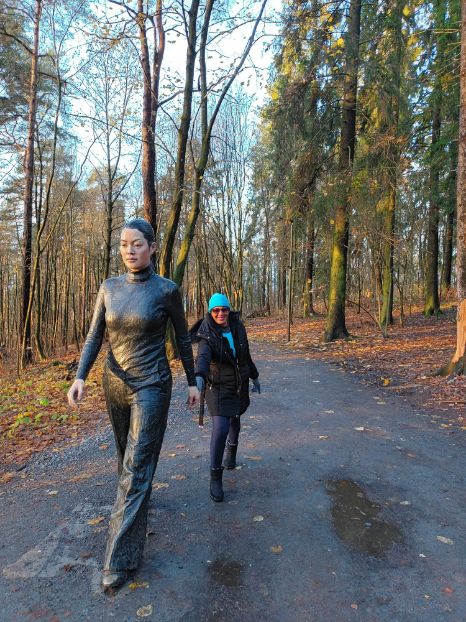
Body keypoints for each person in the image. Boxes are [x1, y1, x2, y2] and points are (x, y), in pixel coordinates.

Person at [67, 218, 200, 590]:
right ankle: (138, 512)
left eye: (137, 244)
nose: (130, 250)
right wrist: (80, 377)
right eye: (124, 244)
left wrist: (193, 381)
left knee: (136, 465)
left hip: (153, 385)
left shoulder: (167, 290)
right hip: (115, 384)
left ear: (152, 247)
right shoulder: (109, 288)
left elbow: (183, 340)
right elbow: (95, 336)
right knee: (127, 458)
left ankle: (117, 560)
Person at [193, 293, 260, 502]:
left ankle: (231, 452)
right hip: (217, 386)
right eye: (216, 310)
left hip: (238, 383)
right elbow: (203, 358)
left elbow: (245, 355)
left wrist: (255, 376)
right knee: (221, 426)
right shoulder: (206, 333)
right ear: (210, 312)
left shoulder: (238, 327)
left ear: (229, 310)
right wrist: (199, 377)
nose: (220, 313)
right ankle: (215, 476)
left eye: (224, 309)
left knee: (235, 420)